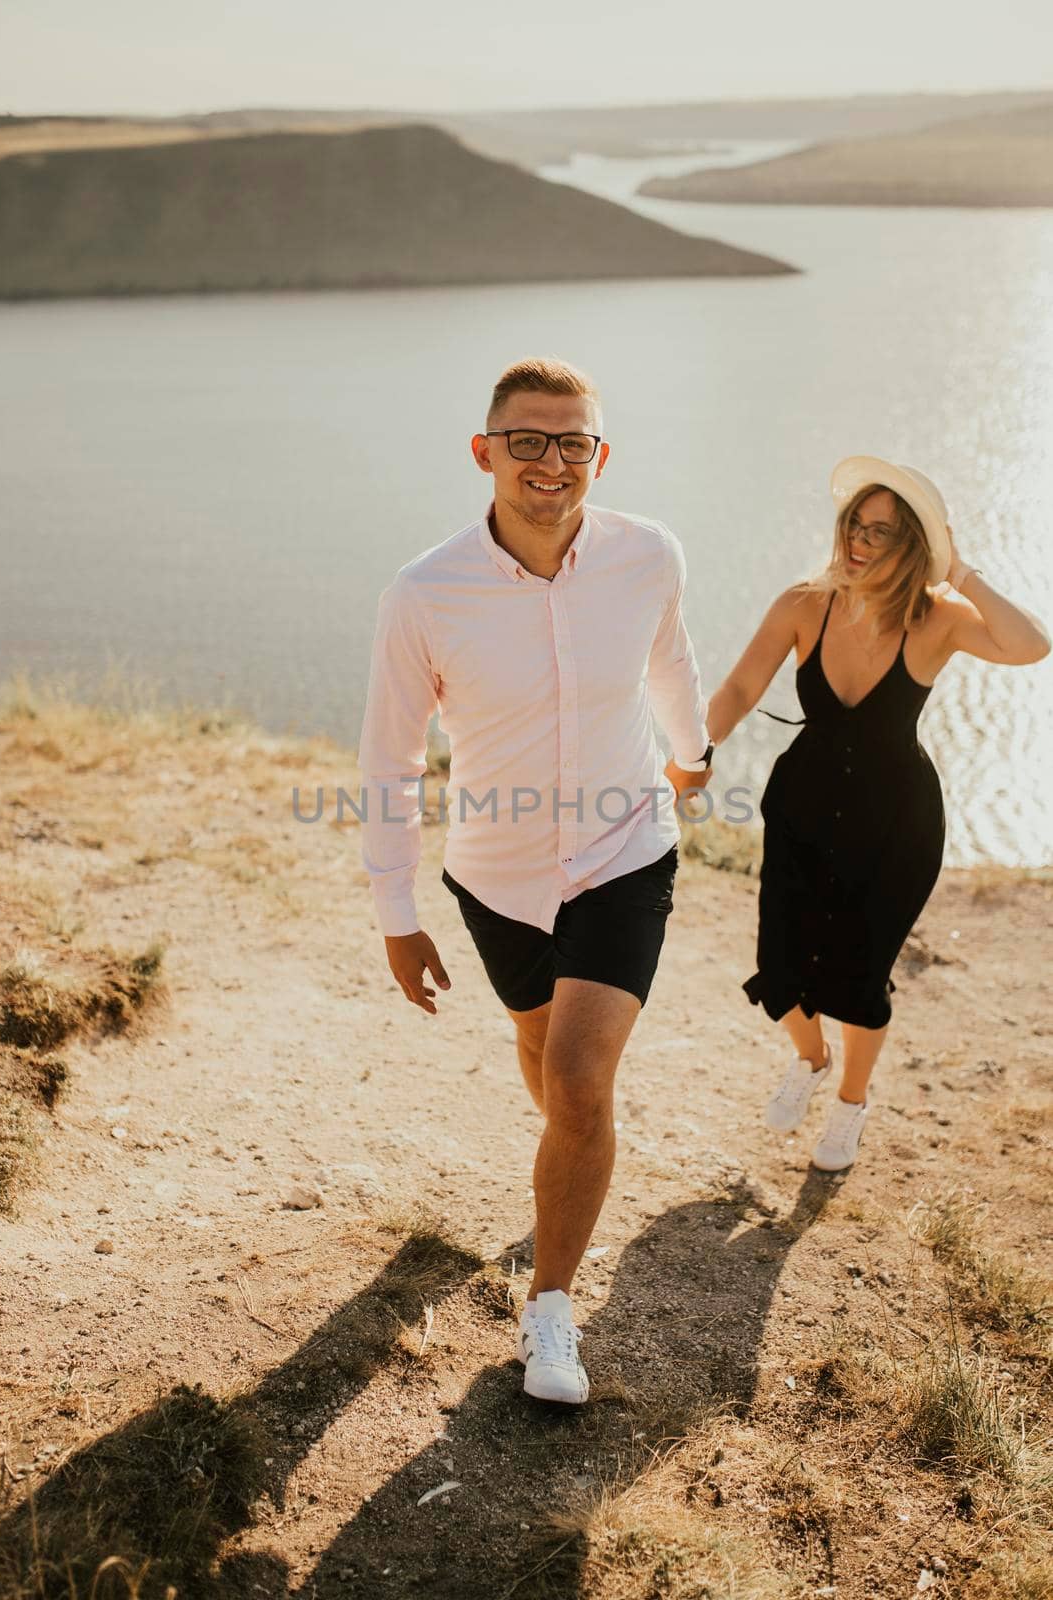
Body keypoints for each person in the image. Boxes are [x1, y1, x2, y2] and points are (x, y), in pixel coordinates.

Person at [356, 357, 714, 1404]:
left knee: (575, 1079)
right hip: (497, 876)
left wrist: (691, 752)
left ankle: (549, 1308)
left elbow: (671, 657)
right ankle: (571, 1153)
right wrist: (397, 912)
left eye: (573, 443)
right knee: (538, 1046)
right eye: (527, 441)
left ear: (599, 456)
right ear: (485, 452)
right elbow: (390, 759)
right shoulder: (424, 593)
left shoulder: (649, 554)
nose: (550, 462)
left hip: (624, 850)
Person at [705, 457, 1050, 1172]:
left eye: (883, 533)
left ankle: (850, 1108)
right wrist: (696, 751)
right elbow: (740, 685)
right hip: (802, 810)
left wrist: (962, 572)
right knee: (780, 964)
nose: (860, 542)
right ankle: (811, 1060)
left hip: (897, 825)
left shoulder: (939, 618)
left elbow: (1030, 645)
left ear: (916, 547)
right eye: (855, 525)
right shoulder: (805, 604)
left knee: (860, 978)